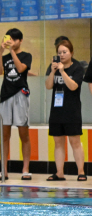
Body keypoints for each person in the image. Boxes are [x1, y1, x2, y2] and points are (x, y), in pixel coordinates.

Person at [45, 39, 86, 181]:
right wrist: (53, 71)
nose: (61, 55)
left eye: (64, 52)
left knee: (75, 142)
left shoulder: (78, 68)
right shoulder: (54, 67)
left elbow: (73, 86)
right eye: (59, 52)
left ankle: (81, 171)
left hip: (72, 111)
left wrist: (62, 71)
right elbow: (48, 86)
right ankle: (59, 172)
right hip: (57, 110)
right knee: (58, 142)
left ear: (71, 52)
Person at [0, 28, 32, 181]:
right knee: (4, 135)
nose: (12, 42)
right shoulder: (5, 56)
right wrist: (0, 51)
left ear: (20, 41)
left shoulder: (26, 56)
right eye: (9, 39)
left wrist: (11, 52)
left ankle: (25, 168)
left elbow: (21, 68)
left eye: (14, 40)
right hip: (5, 96)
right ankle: (3, 169)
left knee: (24, 133)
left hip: (20, 96)